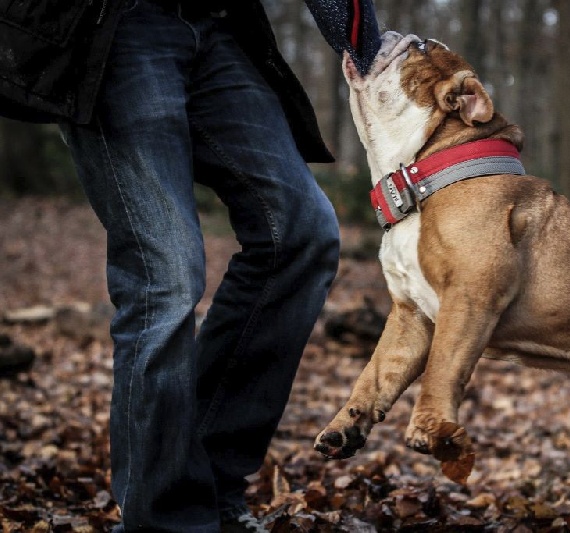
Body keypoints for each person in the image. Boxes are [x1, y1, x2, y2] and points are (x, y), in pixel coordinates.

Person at [0, 0, 381, 531]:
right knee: (166, 274)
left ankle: (211, 486)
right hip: (113, 24)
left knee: (301, 234)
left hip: (219, 21)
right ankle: (164, 520)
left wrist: (365, 48)